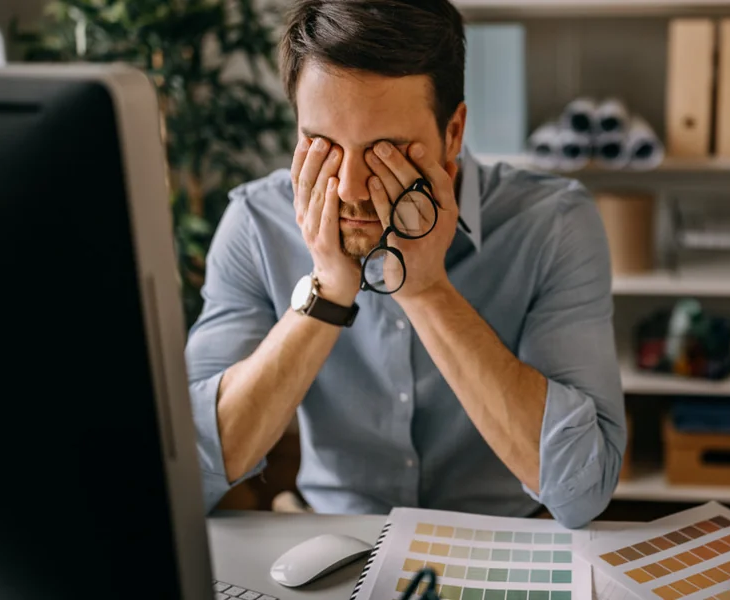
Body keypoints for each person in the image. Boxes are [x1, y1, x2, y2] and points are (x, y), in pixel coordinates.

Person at [185, 0, 625, 529]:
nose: (348, 188)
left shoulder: (553, 223)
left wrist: (425, 289)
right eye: (321, 144)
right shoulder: (255, 223)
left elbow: (584, 490)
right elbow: (191, 473)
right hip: (334, 534)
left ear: (453, 133)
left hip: (508, 538)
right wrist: (327, 291)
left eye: (385, 151)